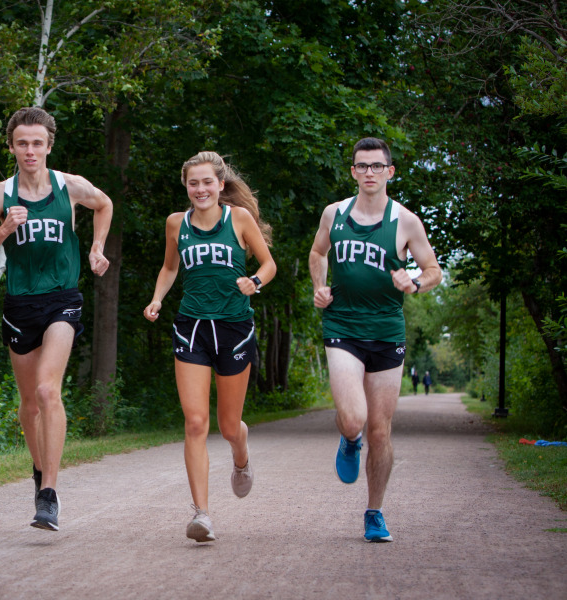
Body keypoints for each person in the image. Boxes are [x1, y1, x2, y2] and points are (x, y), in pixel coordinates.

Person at [0, 107, 112, 531]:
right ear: (11, 146)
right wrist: (3, 232)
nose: (30, 150)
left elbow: (104, 204)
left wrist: (96, 248)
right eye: (22, 143)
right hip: (19, 304)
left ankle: (48, 493)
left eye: (37, 143)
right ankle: (38, 471)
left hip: (62, 299)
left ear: (49, 146)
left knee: (49, 390)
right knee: (28, 404)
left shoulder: (69, 186)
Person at [308, 137, 441, 543]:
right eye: (362, 166)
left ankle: (374, 512)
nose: (369, 172)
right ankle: (350, 440)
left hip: (386, 331)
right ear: (352, 172)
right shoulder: (335, 213)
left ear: (389, 172)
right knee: (354, 419)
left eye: (376, 166)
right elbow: (318, 253)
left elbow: (433, 270)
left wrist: (414, 282)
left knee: (381, 431)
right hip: (343, 326)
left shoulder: (406, 221)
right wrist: (319, 286)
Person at [144, 151, 276, 543]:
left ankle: (242, 456)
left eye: (206, 182)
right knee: (196, 422)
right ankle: (201, 514)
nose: (199, 189)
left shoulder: (238, 219)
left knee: (228, 425)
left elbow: (269, 264)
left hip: (234, 327)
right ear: (186, 186)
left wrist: (255, 281)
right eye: (192, 183)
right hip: (192, 328)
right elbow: (170, 268)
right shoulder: (175, 224)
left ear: (220, 185)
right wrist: (157, 299)